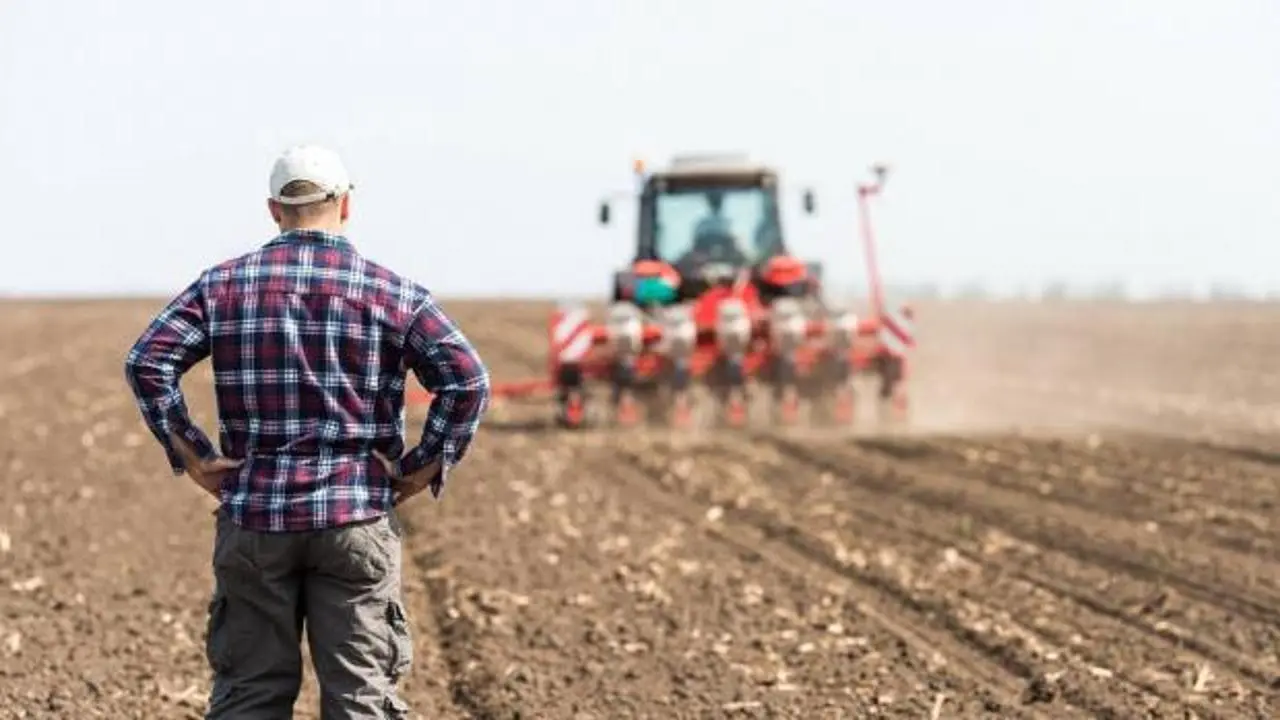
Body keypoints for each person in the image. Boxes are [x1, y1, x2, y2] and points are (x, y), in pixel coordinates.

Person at [122, 144, 491, 719]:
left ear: (274, 210)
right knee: (360, 699)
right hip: (356, 517)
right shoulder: (393, 293)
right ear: (345, 205)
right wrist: (424, 466)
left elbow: (148, 361)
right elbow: (467, 380)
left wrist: (194, 456)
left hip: (255, 518)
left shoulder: (223, 286)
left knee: (249, 696)